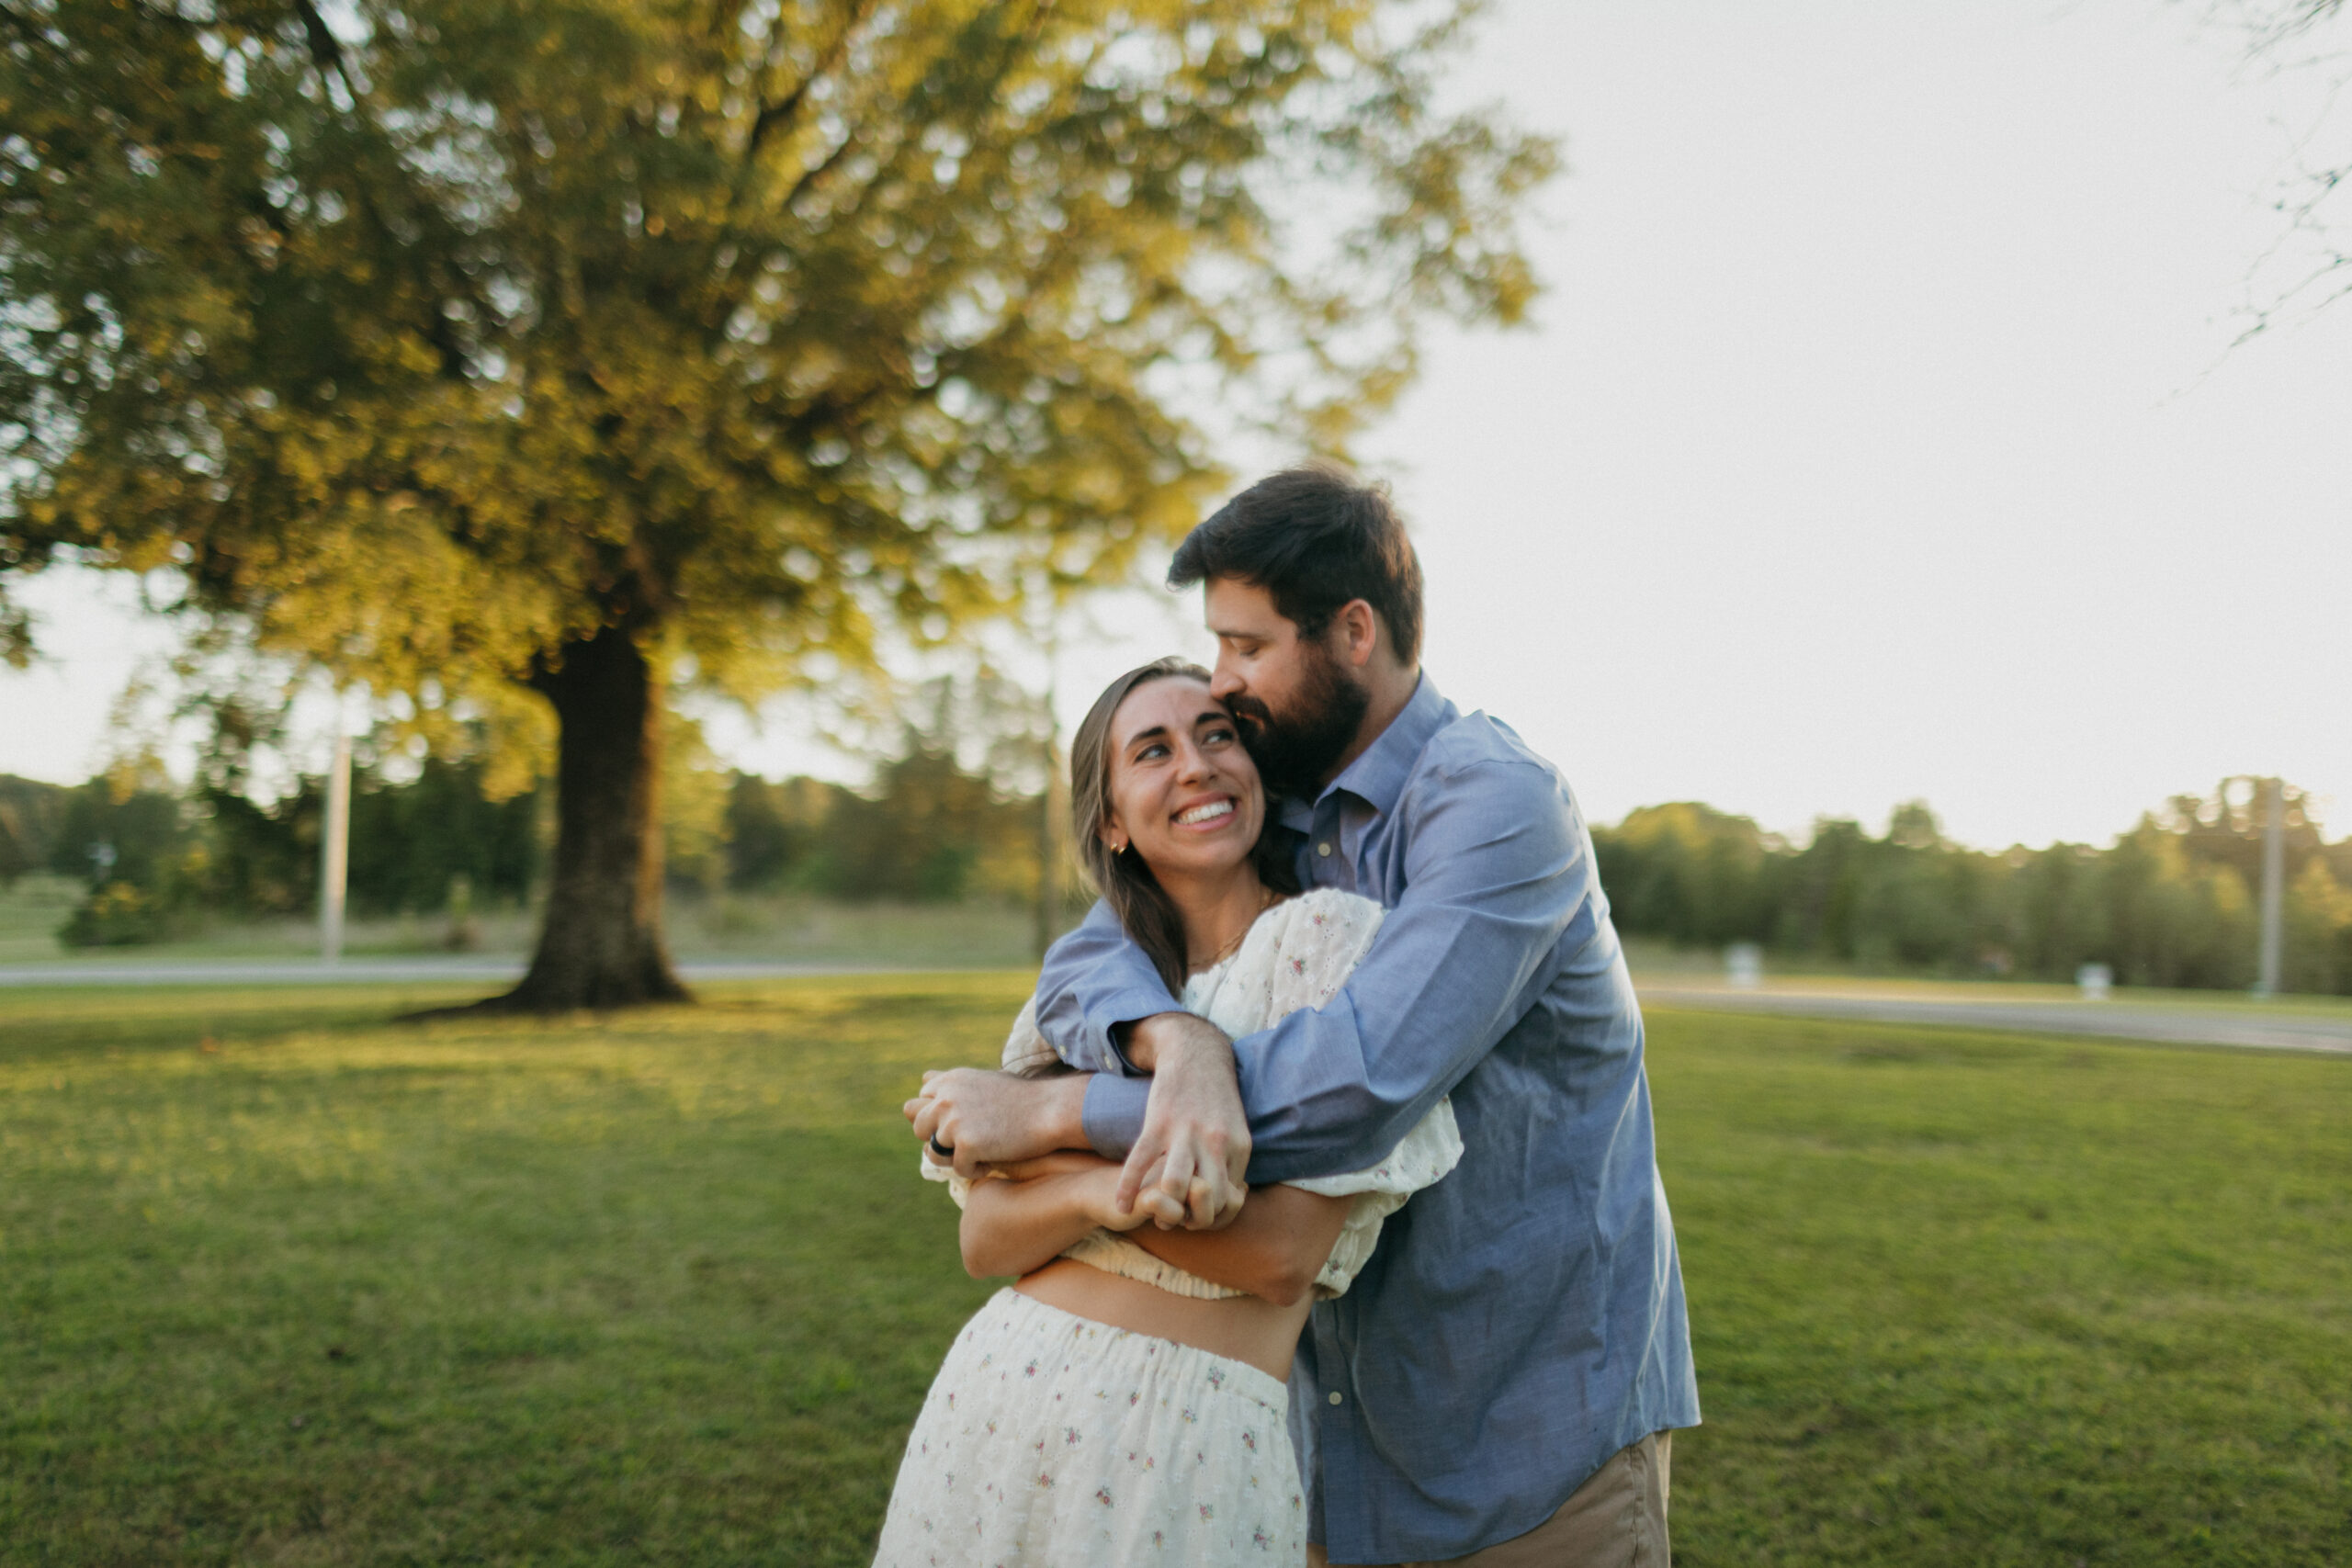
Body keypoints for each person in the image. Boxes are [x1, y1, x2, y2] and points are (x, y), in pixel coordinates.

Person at [912, 467, 1701, 1567]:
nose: (1224, 686)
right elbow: (1105, 936)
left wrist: (1059, 1118)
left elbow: (1357, 1081)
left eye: (1245, 647)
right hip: (1324, 1438)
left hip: (1522, 1425)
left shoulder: (1493, 805)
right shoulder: (1281, 796)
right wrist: (1179, 1046)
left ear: (1353, 632)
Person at [876, 657, 1462, 1567]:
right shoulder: (1083, 988)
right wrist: (1111, 1195)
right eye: (1152, 751)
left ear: (1255, 772)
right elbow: (985, 1241)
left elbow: (1279, 1256)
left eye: (1215, 735)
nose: (1194, 765)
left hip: (1183, 1443)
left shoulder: (1326, 946)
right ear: (1110, 820)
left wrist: (1054, 1160)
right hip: (993, 1406)